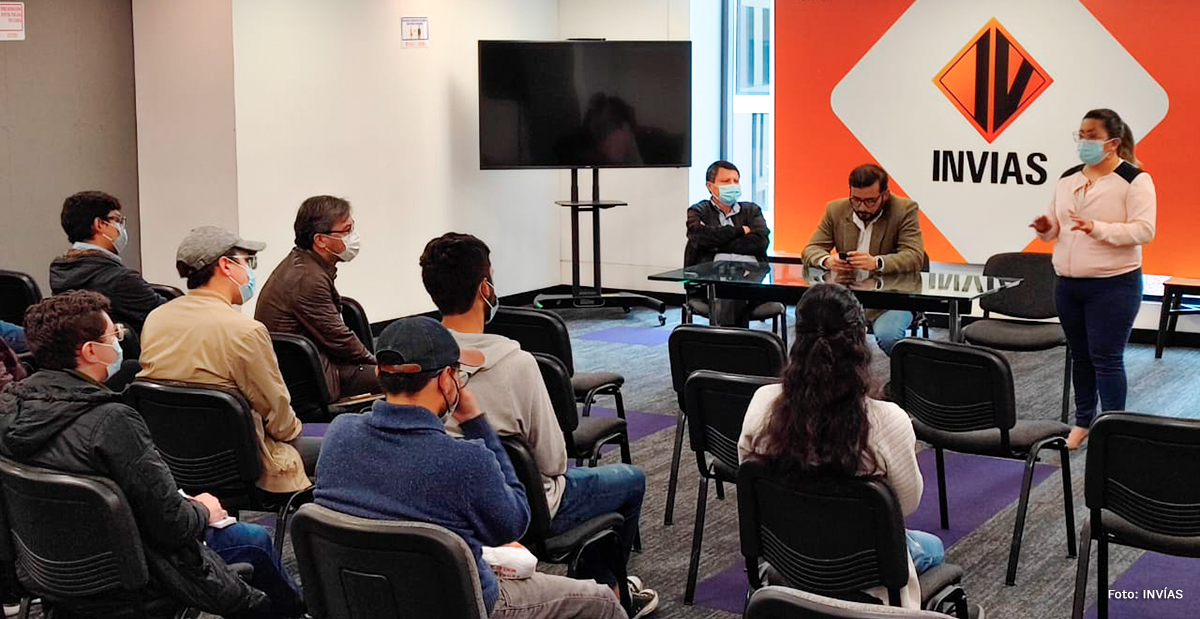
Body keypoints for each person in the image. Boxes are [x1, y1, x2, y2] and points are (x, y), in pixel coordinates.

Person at [0, 291, 305, 618]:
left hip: (55, 572)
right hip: (140, 575)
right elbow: (172, 525)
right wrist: (204, 509)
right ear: (90, 351)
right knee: (255, 538)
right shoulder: (112, 422)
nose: (119, 343)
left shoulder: (10, 409)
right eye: (112, 335)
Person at [314, 316, 632, 619]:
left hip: (362, 598)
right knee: (600, 600)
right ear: (446, 380)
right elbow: (515, 523)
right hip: (463, 604)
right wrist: (477, 423)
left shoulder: (339, 435)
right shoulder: (463, 459)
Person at [419, 233, 657, 616]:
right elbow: (552, 462)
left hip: (450, 506)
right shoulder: (518, 364)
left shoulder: (415, 361)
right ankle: (610, 589)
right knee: (631, 479)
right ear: (485, 287)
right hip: (529, 507)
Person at [738, 283, 943, 609]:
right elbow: (903, 507)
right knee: (932, 547)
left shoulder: (762, 403)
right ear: (861, 337)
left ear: (797, 337)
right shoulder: (887, 420)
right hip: (866, 579)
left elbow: (750, 480)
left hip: (787, 563)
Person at [138, 226, 318, 497]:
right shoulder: (245, 331)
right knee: (339, 446)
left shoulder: (156, 319)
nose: (250, 272)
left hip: (173, 462)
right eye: (248, 262)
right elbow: (279, 418)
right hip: (246, 463)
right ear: (226, 265)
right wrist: (294, 431)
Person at [1031, 108, 1155, 450]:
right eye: (1080, 135)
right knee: (1080, 355)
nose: (1083, 142)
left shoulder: (1134, 179)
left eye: (1091, 136)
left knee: (1106, 357)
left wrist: (1097, 228)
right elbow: (1058, 227)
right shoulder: (1068, 177)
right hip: (1069, 283)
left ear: (1112, 143)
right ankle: (1083, 421)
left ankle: (1113, 428)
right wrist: (1047, 229)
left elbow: (1144, 230)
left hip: (1114, 284)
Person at [255, 196, 379, 402]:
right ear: (320, 240)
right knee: (406, 381)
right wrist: (376, 364)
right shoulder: (307, 280)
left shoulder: (305, 265)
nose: (353, 236)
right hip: (317, 377)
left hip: (320, 363)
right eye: (346, 231)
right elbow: (339, 338)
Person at [802, 164, 925, 355]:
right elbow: (810, 250)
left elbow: (914, 256)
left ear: (885, 195)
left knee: (889, 335)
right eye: (856, 200)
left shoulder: (904, 210)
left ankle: (905, 380)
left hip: (891, 300)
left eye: (870, 201)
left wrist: (877, 263)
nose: (861, 207)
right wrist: (828, 261)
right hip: (845, 298)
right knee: (815, 330)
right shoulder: (836, 209)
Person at [49, 191, 165, 335]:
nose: (121, 228)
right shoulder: (121, 279)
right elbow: (169, 316)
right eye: (117, 220)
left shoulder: (59, 270)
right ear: (100, 224)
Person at [684, 160, 772, 326]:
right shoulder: (698, 211)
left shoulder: (752, 210)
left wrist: (716, 242)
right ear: (710, 186)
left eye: (736, 181)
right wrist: (739, 231)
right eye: (726, 181)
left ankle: (724, 344)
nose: (733, 185)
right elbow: (698, 237)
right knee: (730, 291)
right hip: (711, 282)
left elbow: (760, 242)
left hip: (752, 280)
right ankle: (738, 344)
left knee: (734, 291)